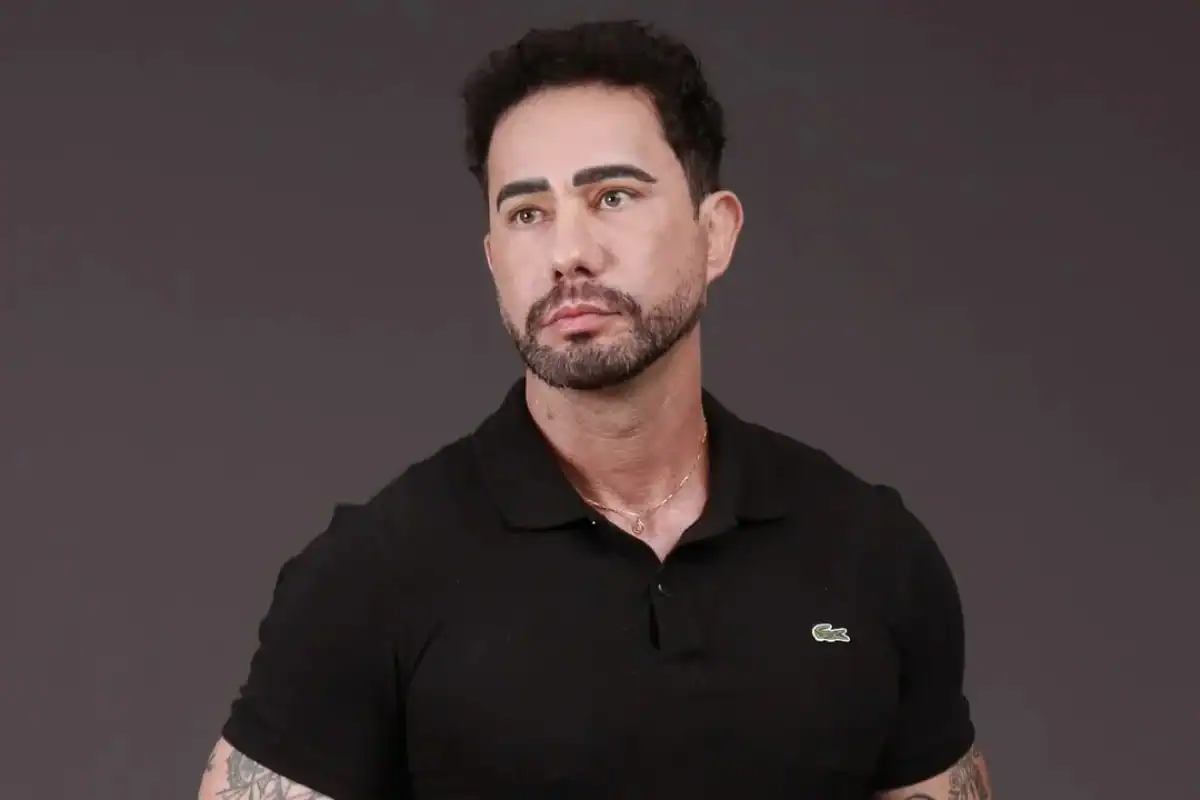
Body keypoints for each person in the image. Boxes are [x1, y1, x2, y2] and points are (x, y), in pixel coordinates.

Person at [197, 19, 993, 800]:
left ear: (715, 234)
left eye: (613, 196)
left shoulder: (869, 552)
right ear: (494, 260)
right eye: (527, 212)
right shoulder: (371, 577)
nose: (567, 252)